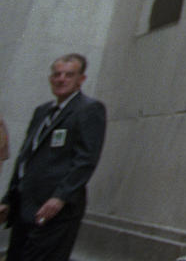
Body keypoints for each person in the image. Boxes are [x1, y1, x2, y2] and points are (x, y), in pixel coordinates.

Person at [0, 54, 107, 261]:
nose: (61, 79)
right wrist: (9, 198)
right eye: (57, 74)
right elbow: (26, 158)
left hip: (55, 208)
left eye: (69, 75)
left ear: (81, 80)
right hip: (26, 205)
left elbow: (86, 159)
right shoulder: (42, 112)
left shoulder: (89, 109)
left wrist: (60, 197)